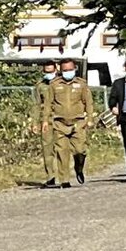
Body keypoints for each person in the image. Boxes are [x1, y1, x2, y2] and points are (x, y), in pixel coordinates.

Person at [42, 57, 95, 188]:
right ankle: (64, 180)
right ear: (60, 70)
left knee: (80, 150)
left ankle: (79, 167)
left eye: (70, 69)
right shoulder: (54, 84)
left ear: (75, 69)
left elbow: (88, 102)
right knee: (62, 152)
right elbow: (48, 104)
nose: (68, 72)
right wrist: (45, 120)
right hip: (60, 123)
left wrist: (90, 118)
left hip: (78, 123)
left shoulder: (81, 84)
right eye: (65, 70)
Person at [33, 60, 58, 187]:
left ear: (56, 70)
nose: (49, 74)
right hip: (46, 121)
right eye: (46, 71)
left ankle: (63, 174)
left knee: (62, 148)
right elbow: (36, 105)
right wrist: (35, 122)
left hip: (61, 119)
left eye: (51, 71)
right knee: (47, 149)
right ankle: (50, 176)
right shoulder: (40, 86)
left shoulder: (62, 84)